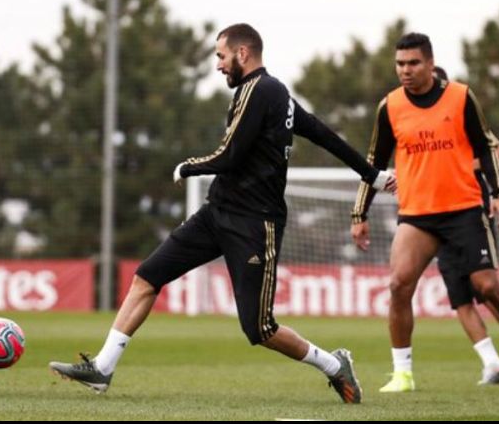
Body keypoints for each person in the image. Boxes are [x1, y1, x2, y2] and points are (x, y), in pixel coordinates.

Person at [49, 23, 397, 404]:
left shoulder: (261, 90)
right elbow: (322, 133)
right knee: (147, 277)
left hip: (254, 223)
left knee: (259, 328)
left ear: (242, 53)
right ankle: (103, 367)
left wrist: (188, 166)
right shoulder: (269, 93)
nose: (218, 65)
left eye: (220, 55)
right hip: (217, 213)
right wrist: (374, 175)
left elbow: (231, 154)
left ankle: (334, 365)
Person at [351, 32, 499, 393]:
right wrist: (359, 213)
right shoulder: (390, 106)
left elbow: (488, 148)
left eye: (413, 63)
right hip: (417, 214)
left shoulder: (460, 97)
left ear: (429, 63)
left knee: (487, 286)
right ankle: (403, 373)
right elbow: (374, 164)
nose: (405, 70)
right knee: (398, 285)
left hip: (463, 210)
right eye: (400, 64)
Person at [432, 67, 499, 386]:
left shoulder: (463, 119)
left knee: (487, 289)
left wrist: (460, 163)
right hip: (435, 217)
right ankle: (492, 363)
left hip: (471, 213)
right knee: (459, 298)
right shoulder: (422, 130)